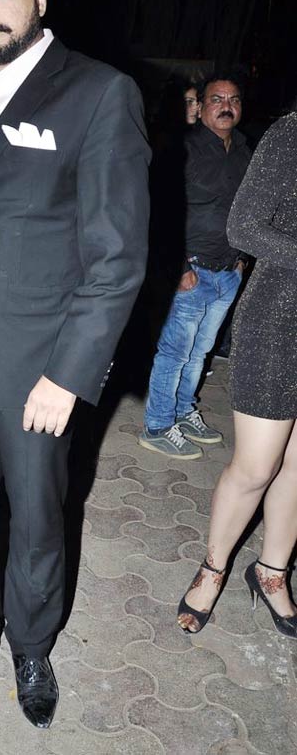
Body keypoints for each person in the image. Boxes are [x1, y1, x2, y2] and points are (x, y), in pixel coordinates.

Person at [0, 0, 150, 729]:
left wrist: (69, 372)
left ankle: (32, 644)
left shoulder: (98, 93)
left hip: (38, 368)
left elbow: (118, 256)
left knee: (39, 518)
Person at [177, 111, 297, 638]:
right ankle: (213, 568)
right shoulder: (291, 133)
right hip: (279, 322)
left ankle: (271, 572)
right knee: (256, 467)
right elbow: (243, 225)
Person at [139, 74, 251, 459]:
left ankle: (184, 411)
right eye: (217, 99)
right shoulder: (182, 148)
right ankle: (157, 425)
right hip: (192, 271)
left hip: (227, 271)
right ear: (201, 106)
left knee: (201, 352)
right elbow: (160, 211)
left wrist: (241, 259)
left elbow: (246, 209)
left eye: (234, 100)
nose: (226, 106)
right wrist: (178, 265)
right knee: (175, 353)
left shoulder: (243, 150)